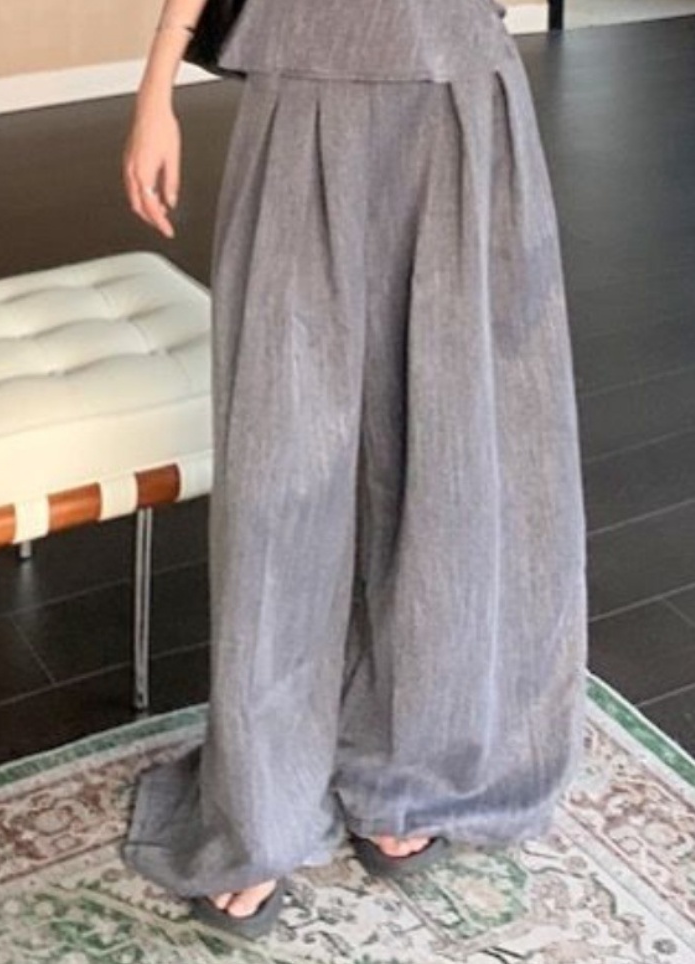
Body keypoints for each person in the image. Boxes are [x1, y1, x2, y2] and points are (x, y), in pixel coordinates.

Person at [120, 0, 588, 941]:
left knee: (455, 456)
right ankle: (263, 807)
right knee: (281, 469)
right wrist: (154, 89)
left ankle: (407, 770)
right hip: (303, 93)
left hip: (458, 95)